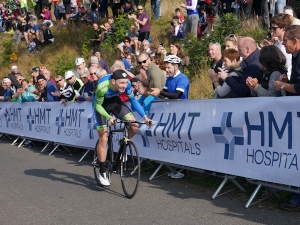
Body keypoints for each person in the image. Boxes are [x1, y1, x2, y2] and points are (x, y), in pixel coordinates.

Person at [93, 69, 152, 186]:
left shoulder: (128, 84)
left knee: (134, 126)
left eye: (126, 83)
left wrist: (145, 117)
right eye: (121, 83)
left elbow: (133, 101)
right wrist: (108, 117)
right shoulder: (102, 86)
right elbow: (98, 106)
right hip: (100, 105)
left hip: (114, 102)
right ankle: (103, 170)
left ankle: (122, 143)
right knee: (104, 137)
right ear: (113, 81)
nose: (124, 86)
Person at [150, 55, 190, 179]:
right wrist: (151, 92)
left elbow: (177, 95)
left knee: (181, 140)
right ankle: (176, 165)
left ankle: (183, 169)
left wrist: (160, 92)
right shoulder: (170, 78)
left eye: (168, 67)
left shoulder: (182, 78)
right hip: (173, 113)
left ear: (176, 66)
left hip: (183, 112)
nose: (166, 70)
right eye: (166, 67)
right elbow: (164, 95)